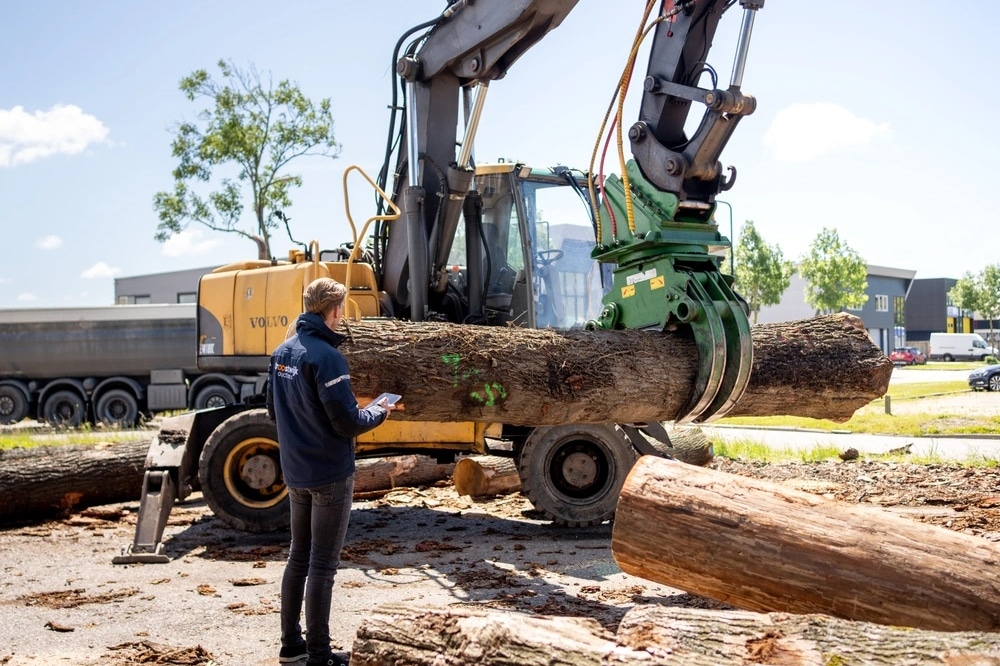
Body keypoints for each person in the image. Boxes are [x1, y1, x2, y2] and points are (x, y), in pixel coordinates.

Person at [267, 277, 395, 666]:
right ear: (334, 309)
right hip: (329, 474)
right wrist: (380, 409)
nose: (342, 316)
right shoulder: (327, 357)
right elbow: (348, 423)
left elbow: (274, 411)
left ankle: (292, 647)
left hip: (296, 473)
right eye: (342, 309)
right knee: (322, 565)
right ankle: (320, 656)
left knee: (298, 558)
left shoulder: (281, 352)